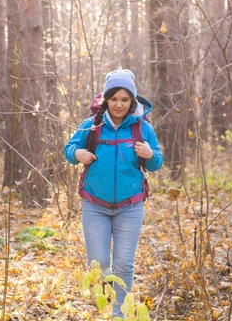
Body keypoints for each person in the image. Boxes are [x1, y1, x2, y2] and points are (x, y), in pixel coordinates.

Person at [64, 69, 164, 318]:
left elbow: (157, 163)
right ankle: (108, 291)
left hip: (130, 206)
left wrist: (149, 155)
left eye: (125, 99)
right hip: (94, 204)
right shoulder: (92, 125)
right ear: (106, 100)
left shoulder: (142, 128)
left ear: (132, 101)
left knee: (124, 263)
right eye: (114, 99)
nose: (119, 104)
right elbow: (69, 148)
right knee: (97, 264)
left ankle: (119, 314)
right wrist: (78, 154)